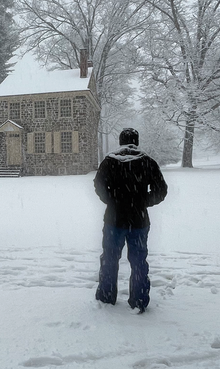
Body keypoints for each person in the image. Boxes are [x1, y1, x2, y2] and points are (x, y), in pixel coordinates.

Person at [94, 128, 168, 313]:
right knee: (139, 261)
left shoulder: (110, 161)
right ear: (137, 141)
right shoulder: (147, 162)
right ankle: (139, 300)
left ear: (121, 141)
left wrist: (113, 201)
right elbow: (161, 190)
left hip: (113, 219)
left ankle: (106, 296)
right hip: (138, 221)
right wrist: (142, 202)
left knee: (109, 259)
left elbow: (99, 185)